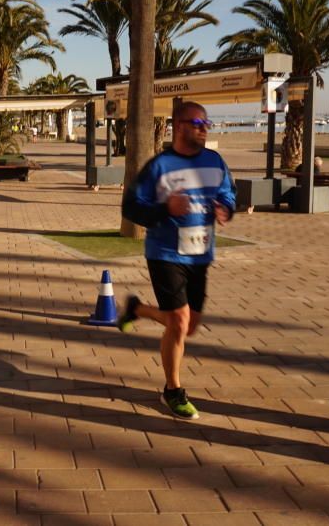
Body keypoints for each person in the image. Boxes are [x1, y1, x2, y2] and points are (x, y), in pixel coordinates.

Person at [118, 101, 236, 420]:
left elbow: (228, 193)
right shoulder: (159, 166)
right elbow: (131, 208)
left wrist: (226, 208)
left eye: (206, 124)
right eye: (197, 122)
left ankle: (137, 309)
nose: (203, 128)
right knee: (180, 322)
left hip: (200, 255)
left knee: (189, 327)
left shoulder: (214, 161)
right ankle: (173, 389)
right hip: (165, 253)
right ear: (178, 125)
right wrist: (164, 209)